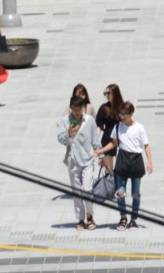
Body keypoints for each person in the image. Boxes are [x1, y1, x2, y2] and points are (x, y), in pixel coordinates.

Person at [108, 102, 152, 230]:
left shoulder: (139, 128)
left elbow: (146, 145)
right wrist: (101, 151)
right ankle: (123, 217)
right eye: (120, 114)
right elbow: (113, 143)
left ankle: (133, 219)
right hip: (122, 161)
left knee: (136, 194)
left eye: (124, 114)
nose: (122, 117)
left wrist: (149, 162)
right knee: (120, 193)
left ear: (131, 114)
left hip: (136, 161)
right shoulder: (118, 127)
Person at [59, 93, 99, 229]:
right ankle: (80, 218)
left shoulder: (89, 120)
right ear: (70, 107)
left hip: (87, 159)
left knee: (87, 189)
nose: (77, 112)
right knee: (76, 191)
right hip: (73, 159)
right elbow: (61, 139)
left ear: (83, 108)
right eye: (75, 109)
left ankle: (90, 215)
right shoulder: (65, 121)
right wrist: (69, 133)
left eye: (79, 109)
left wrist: (101, 156)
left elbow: (95, 140)